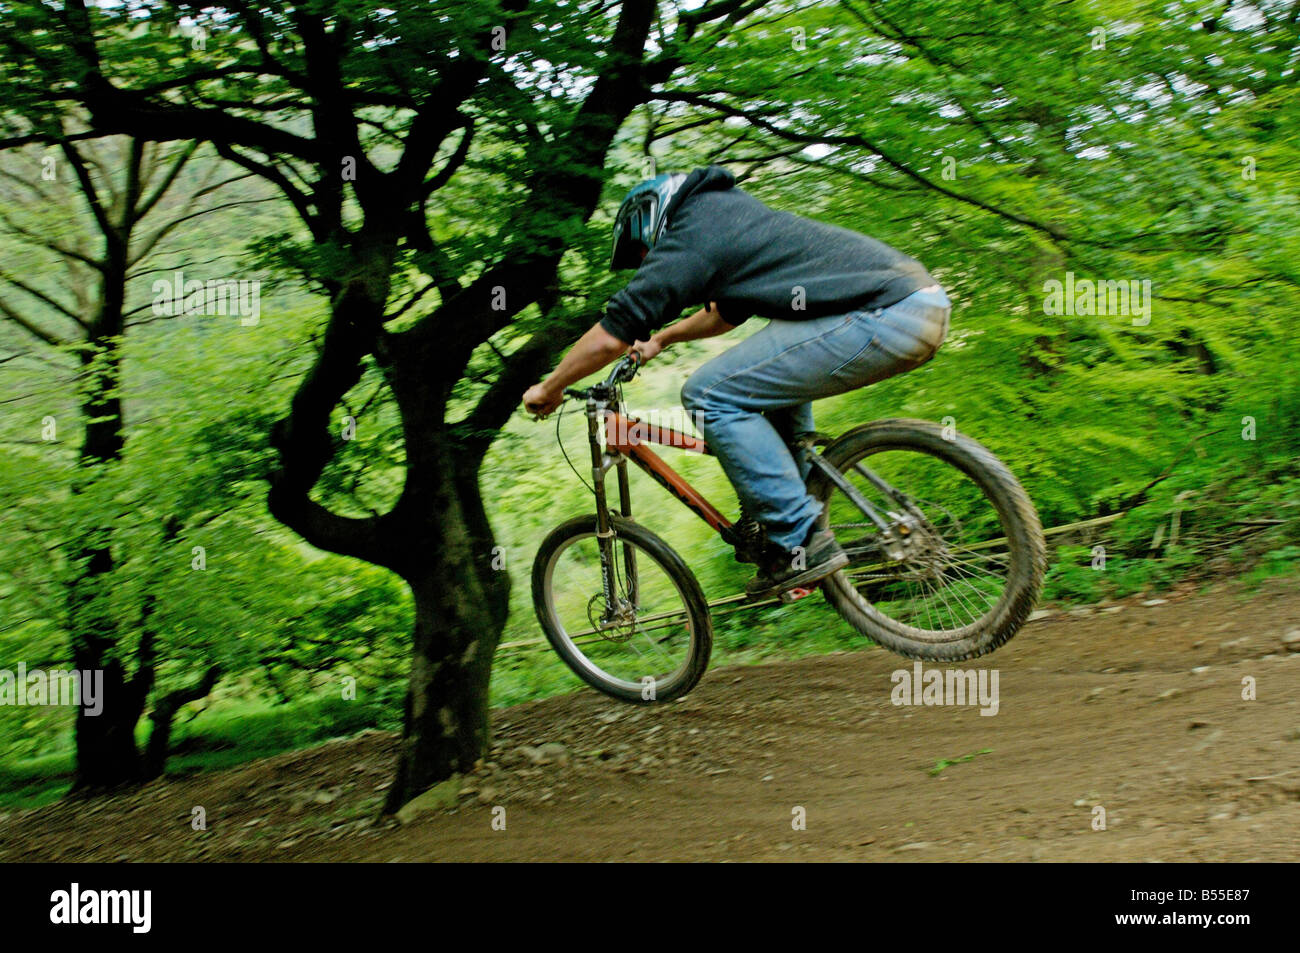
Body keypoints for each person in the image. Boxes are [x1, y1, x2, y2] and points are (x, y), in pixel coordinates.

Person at [522, 165, 950, 598]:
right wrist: (662, 340)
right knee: (764, 396)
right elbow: (724, 313)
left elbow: (611, 335)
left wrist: (550, 386)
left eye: (640, 253)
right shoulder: (725, 217)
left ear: (652, 220)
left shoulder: (695, 231)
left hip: (883, 315)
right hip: (918, 306)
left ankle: (800, 538)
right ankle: (790, 541)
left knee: (707, 392)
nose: (646, 264)